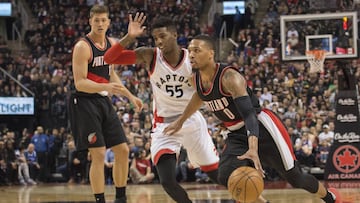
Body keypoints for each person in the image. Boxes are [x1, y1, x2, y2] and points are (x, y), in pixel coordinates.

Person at [163, 34, 343, 203]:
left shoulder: (229, 77)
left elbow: (249, 114)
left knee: (296, 177)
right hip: (236, 133)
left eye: (197, 50)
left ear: (211, 54)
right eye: (190, 50)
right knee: (226, 176)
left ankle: (330, 198)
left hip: (262, 127)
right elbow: (200, 97)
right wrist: (181, 120)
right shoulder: (195, 80)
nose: (191, 55)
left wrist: (253, 148)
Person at [104, 16, 219, 203]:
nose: (159, 42)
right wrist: (129, 36)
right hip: (164, 126)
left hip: (191, 120)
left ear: (174, 35)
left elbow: (205, 93)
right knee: (167, 181)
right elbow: (109, 59)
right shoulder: (149, 55)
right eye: (156, 38)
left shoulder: (193, 61)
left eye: (163, 36)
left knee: (216, 175)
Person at [70, 5, 143, 203]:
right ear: (90, 22)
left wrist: (130, 95)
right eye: (96, 20)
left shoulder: (111, 43)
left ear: (109, 22)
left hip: (102, 99)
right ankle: (100, 200)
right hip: (84, 102)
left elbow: (111, 74)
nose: (100, 24)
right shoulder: (82, 47)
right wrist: (107, 87)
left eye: (104, 20)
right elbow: (80, 82)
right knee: (99, 154)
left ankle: (121, 198)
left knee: (123, 150)